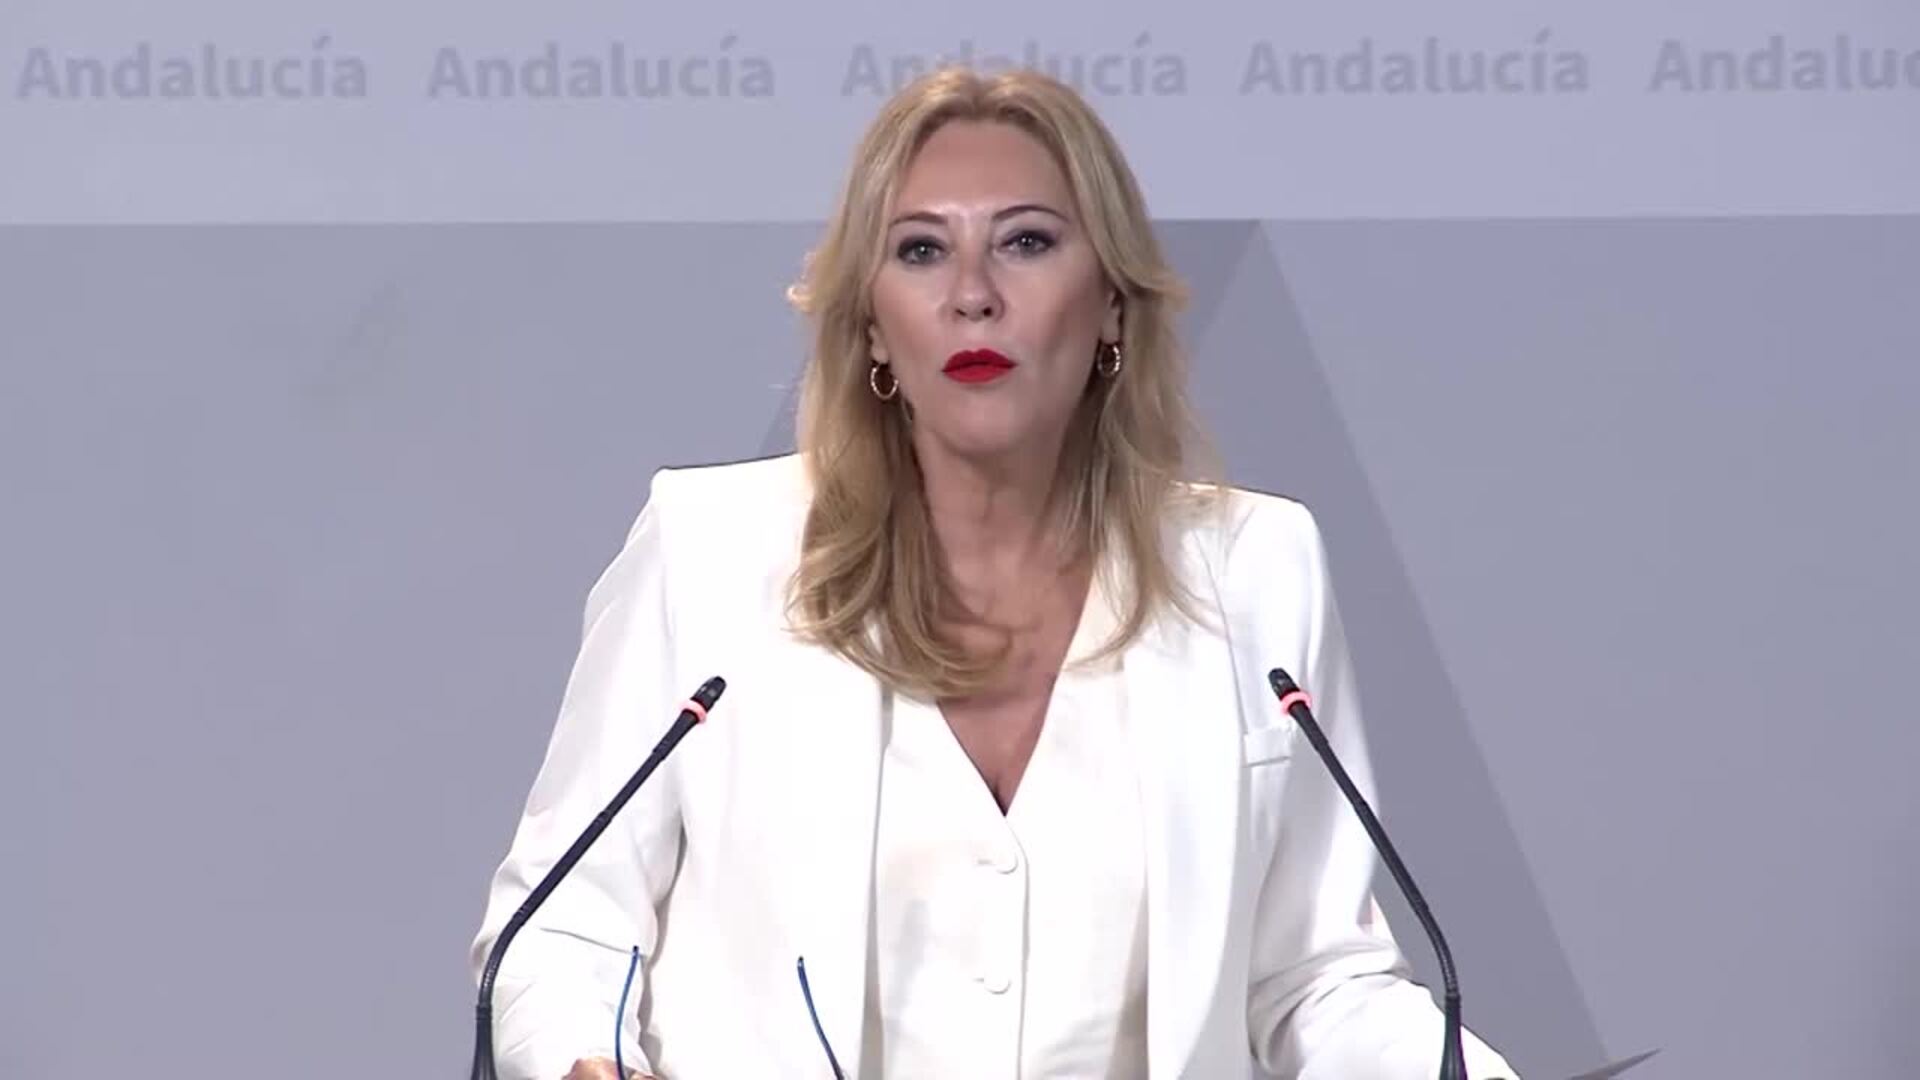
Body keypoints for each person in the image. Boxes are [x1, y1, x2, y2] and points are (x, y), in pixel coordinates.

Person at [469, 65, 1521, 1079]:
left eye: (1025, 242)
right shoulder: (711, 551)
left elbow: (1312, 978)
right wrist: (588, 1064)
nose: (973, 294)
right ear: (873, 326)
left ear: (1112, 306)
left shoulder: (1253, 568)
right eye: (921, 251)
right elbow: (559, 929)